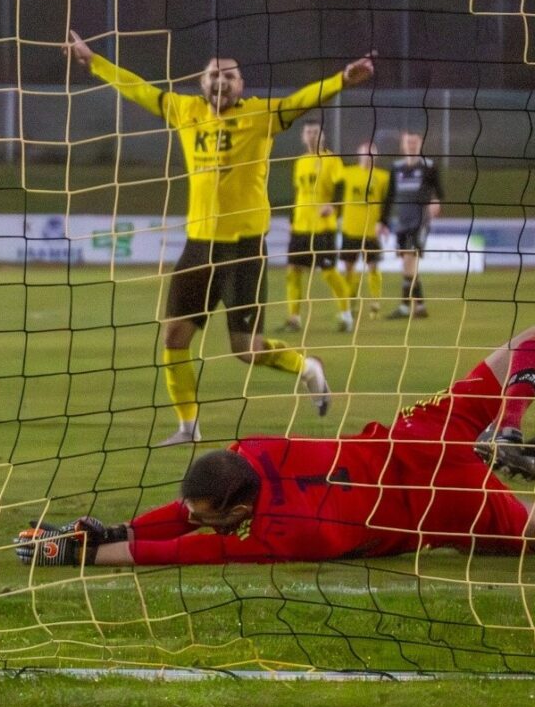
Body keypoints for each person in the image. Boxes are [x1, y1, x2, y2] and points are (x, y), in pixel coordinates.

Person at [15, 323, 535, 566]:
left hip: (437, 508)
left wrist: (78, 556)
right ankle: (507, 426)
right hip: (415, 438)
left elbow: (169, 550)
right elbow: (182, 519)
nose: (200, 520)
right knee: (533, 337)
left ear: (241, 510)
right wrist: (110, 529)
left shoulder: (282, 534)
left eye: (212, 517)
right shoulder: (253, 449)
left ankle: (509, 437)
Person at [64, 31, 376, 446]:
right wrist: (95, 63)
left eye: (229, 76)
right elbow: (138, 89)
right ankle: (188, 427)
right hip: (198, 246)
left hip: (244, 248)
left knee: (245, 349)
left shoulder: (262, 115)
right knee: (174, 336)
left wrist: (342, 79)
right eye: (214, 75)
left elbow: (301, 100)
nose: (221, 82)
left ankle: (307, 367)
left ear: (241, 85)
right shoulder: (184, 110)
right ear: (202, 82)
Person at [281, 120, 353, 333]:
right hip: (300, 227)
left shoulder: (332, 160)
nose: (312, 136)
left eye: (315, 132)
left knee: (329, 272)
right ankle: (294, 318)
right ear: (303, 137)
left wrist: (333, 206)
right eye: (308, 132)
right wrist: (292, 218)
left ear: (322, 136)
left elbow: (342, 185)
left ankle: (346, 313)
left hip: (323, 227)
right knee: (293, 271)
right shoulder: (301, 162)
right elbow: (298, 192)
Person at [379, 131, 444, 320]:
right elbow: (390, 196)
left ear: (420, 144)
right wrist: (382, 221)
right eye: (408, 142)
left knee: (410, 260)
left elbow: (439, 191)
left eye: (415, 142)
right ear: (403, 145)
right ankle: (420, 306)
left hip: (420, 222)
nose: (412, 145)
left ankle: (405, 307)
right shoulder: (396, 168)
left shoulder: (429, 167)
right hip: (401, 223)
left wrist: (435, 201)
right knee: (408, 266)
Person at [339, 141, 389, 319]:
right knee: (349, 269)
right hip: (350, 229)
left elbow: (388, 203)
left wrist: (384, 222)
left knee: (373, 268)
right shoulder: (347, 173)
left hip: (371, 231)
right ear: (358, 154)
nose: (368, 156)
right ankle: (350, 303)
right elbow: (334, 191)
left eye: (371, 153)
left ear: (376, 156)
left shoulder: (383, 177)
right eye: (365, 152)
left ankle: (375, 302)